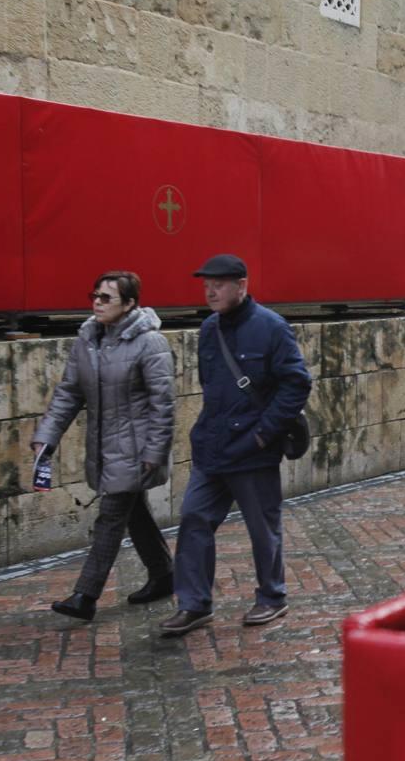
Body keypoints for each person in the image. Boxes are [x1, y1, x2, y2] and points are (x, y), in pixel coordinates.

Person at [160, 254, 312, 637]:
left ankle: (272, 597)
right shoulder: (209, 329)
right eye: (206, 283)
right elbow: (212, 388)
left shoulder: (271, 328)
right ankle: (194, 604)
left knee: (262, 528)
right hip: (213, 448)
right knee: (194, 519)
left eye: (220, 283)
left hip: (253, 448)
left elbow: (296, 383)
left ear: (242, 285)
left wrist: (263, 434)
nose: (210, 290)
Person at [32, 271, 175, 622]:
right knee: (135, 514)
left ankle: (85, 596)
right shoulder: (88, 339)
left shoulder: (150, 343)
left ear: (129, 304)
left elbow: (163, 404)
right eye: (94, 295)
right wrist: (47, 437)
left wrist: (155, 452)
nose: (97, 302)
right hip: (104, 446)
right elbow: (69, 392)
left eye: (106, 297)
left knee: (111, 517)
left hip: (136, 450)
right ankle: (165, 575)